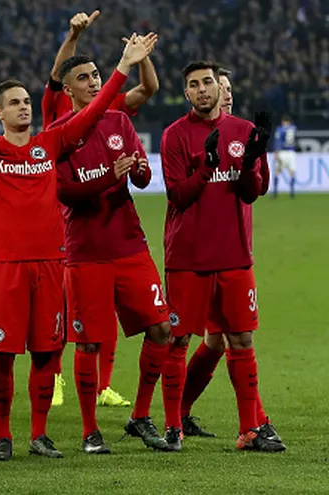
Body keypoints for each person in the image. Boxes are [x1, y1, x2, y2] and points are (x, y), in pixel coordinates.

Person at [0, 33, 154, 461]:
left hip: (52, 264)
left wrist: (123, 66)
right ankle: (3, 436)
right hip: (7, 266)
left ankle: (39, 434)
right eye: (14, 103)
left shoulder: (49, 145)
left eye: (26, 101)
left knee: (46, 353)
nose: (23, 107)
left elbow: (92, 115)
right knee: (3, 356)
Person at [51, 33, 174, 454]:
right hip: (86, 253)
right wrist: (109, 174)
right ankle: (89, 430)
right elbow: (67, 192)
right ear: (67, 89)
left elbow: (141, 176)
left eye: (96, 75)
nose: (92, 81)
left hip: (129, 244)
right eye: (83, 78)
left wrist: (136, 170)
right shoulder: (58, 134)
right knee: (88, 342)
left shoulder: (120, 121)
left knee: (162, 327)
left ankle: (140, 415)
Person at [161, 60, 285, 452]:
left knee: (241, 338)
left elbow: (253, 191)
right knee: (179, 339)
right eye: (194, 84)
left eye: (208, 82)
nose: (202, 89)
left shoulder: (243, 131)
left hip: (234, 256)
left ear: (220, 87)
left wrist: (250, 161)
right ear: (186, 93)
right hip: (188, 257)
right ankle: (172, 427)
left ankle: (250, 429)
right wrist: (206, 166)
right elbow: (178, 195)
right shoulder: (174, 135)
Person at [272, 115, 297, 198]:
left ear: (284, 121)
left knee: (277, 171)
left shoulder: (280, 129)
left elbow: (278, 140)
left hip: (282, 152)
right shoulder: (293, 128)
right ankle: (292, 192)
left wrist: (276, 151)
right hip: (291, 152)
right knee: (292, 172)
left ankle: (275, 192)